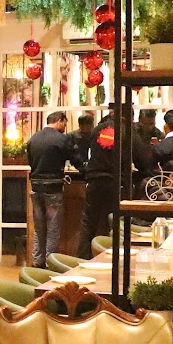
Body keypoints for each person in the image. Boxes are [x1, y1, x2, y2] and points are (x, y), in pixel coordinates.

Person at [26, 111, 84, 268]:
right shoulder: (62, 139)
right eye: (64, 123)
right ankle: (50, 263)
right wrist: (86, 170)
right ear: (59, 121)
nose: (65, 127)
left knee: (39, 228)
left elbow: (31, 162)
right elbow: (76, 160)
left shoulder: (33, 138)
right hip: (53, 188)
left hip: (36, 187)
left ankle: (37, 261)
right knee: (53, 228)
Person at [77, 109, 121, 258]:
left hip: (95, 180)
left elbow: (89, 153)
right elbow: (141, 158)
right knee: (114, 221)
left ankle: (82, 257)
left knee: (89, 222)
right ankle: (112, 257)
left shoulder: (97, 130)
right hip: (115, 182)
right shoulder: (125, 130)